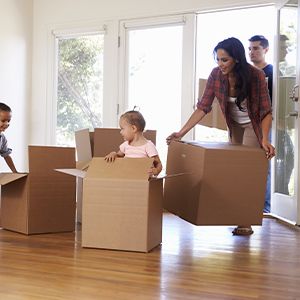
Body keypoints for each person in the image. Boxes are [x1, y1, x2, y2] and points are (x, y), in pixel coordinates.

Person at [167, 37, 275, 236]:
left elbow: (266, 111)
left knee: (246, 173)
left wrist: (265, 139)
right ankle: (235, 214)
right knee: (234, 170)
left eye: (224, 60)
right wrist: (181, 132)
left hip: (254, 125)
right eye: (217, 59)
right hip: (234, 127)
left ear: (237, 59)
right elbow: (203, 108)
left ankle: (245, 222)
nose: (220, 64)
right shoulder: (216, 75)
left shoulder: (256, 76)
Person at [248, 35, 273, 213]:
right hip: (248, 126)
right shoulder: (246, 73)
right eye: (249, 49)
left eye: (256, 48)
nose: (251, 52)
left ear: (265, 50)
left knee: (266, 165)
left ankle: (265, 208)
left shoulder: (272, 73)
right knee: (247, 166)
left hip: (267, 125)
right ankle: (249, 205)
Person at [105, 110, 162, 177]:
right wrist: (113, 154)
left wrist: (156, 171)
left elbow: (158, 163)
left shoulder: (148, 146)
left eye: (122, 129)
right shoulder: (125, 145)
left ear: (133, 128)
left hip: (142, 179)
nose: (120, 132)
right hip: (127, 177)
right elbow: (118, 155)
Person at [0, 102, 18, 173]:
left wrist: (15, 172)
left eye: (8, 121)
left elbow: (6, 156)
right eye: (3, 120)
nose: (6, 124)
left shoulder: (2, 138)